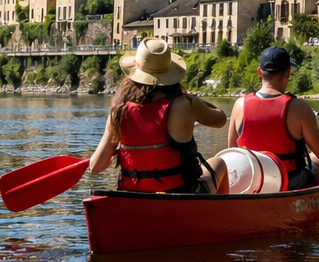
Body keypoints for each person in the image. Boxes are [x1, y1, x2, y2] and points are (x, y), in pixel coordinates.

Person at [89, 37, 229, 193]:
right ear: (170, 73)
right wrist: (194, 99)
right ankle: (222, 215)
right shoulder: (187, 104)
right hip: (181, 193)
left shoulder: (119, 111)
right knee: (220, 163)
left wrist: (117, 155)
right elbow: (221, 119)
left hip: (133, 197)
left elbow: (95, 167)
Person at [228, 46, 319, 190]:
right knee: (317, 158)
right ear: (288, 72)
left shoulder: (239, 105)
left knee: (313, 157)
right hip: (289, 183)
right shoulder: (297, 107)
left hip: (251, 184)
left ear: (259, 72)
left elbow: (233, 154)